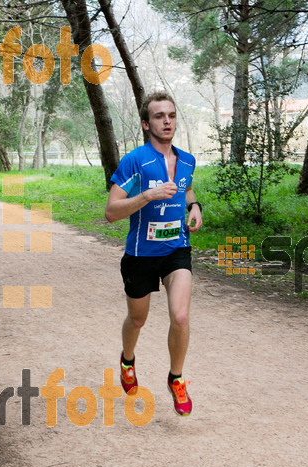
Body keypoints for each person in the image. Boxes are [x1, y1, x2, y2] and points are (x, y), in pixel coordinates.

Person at [104, 92, 202, 416]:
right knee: (138, 319)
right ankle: (127, 360)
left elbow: (186, 188)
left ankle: (176, 377)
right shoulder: (135, 161)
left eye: (171, 115)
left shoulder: (187, 160)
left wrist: (194, 207)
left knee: (182, 316)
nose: (167, 121)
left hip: (177, 250)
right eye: (159, 116)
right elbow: (111, 211)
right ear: (147, 124)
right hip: (140, 254)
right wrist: (147, 195)